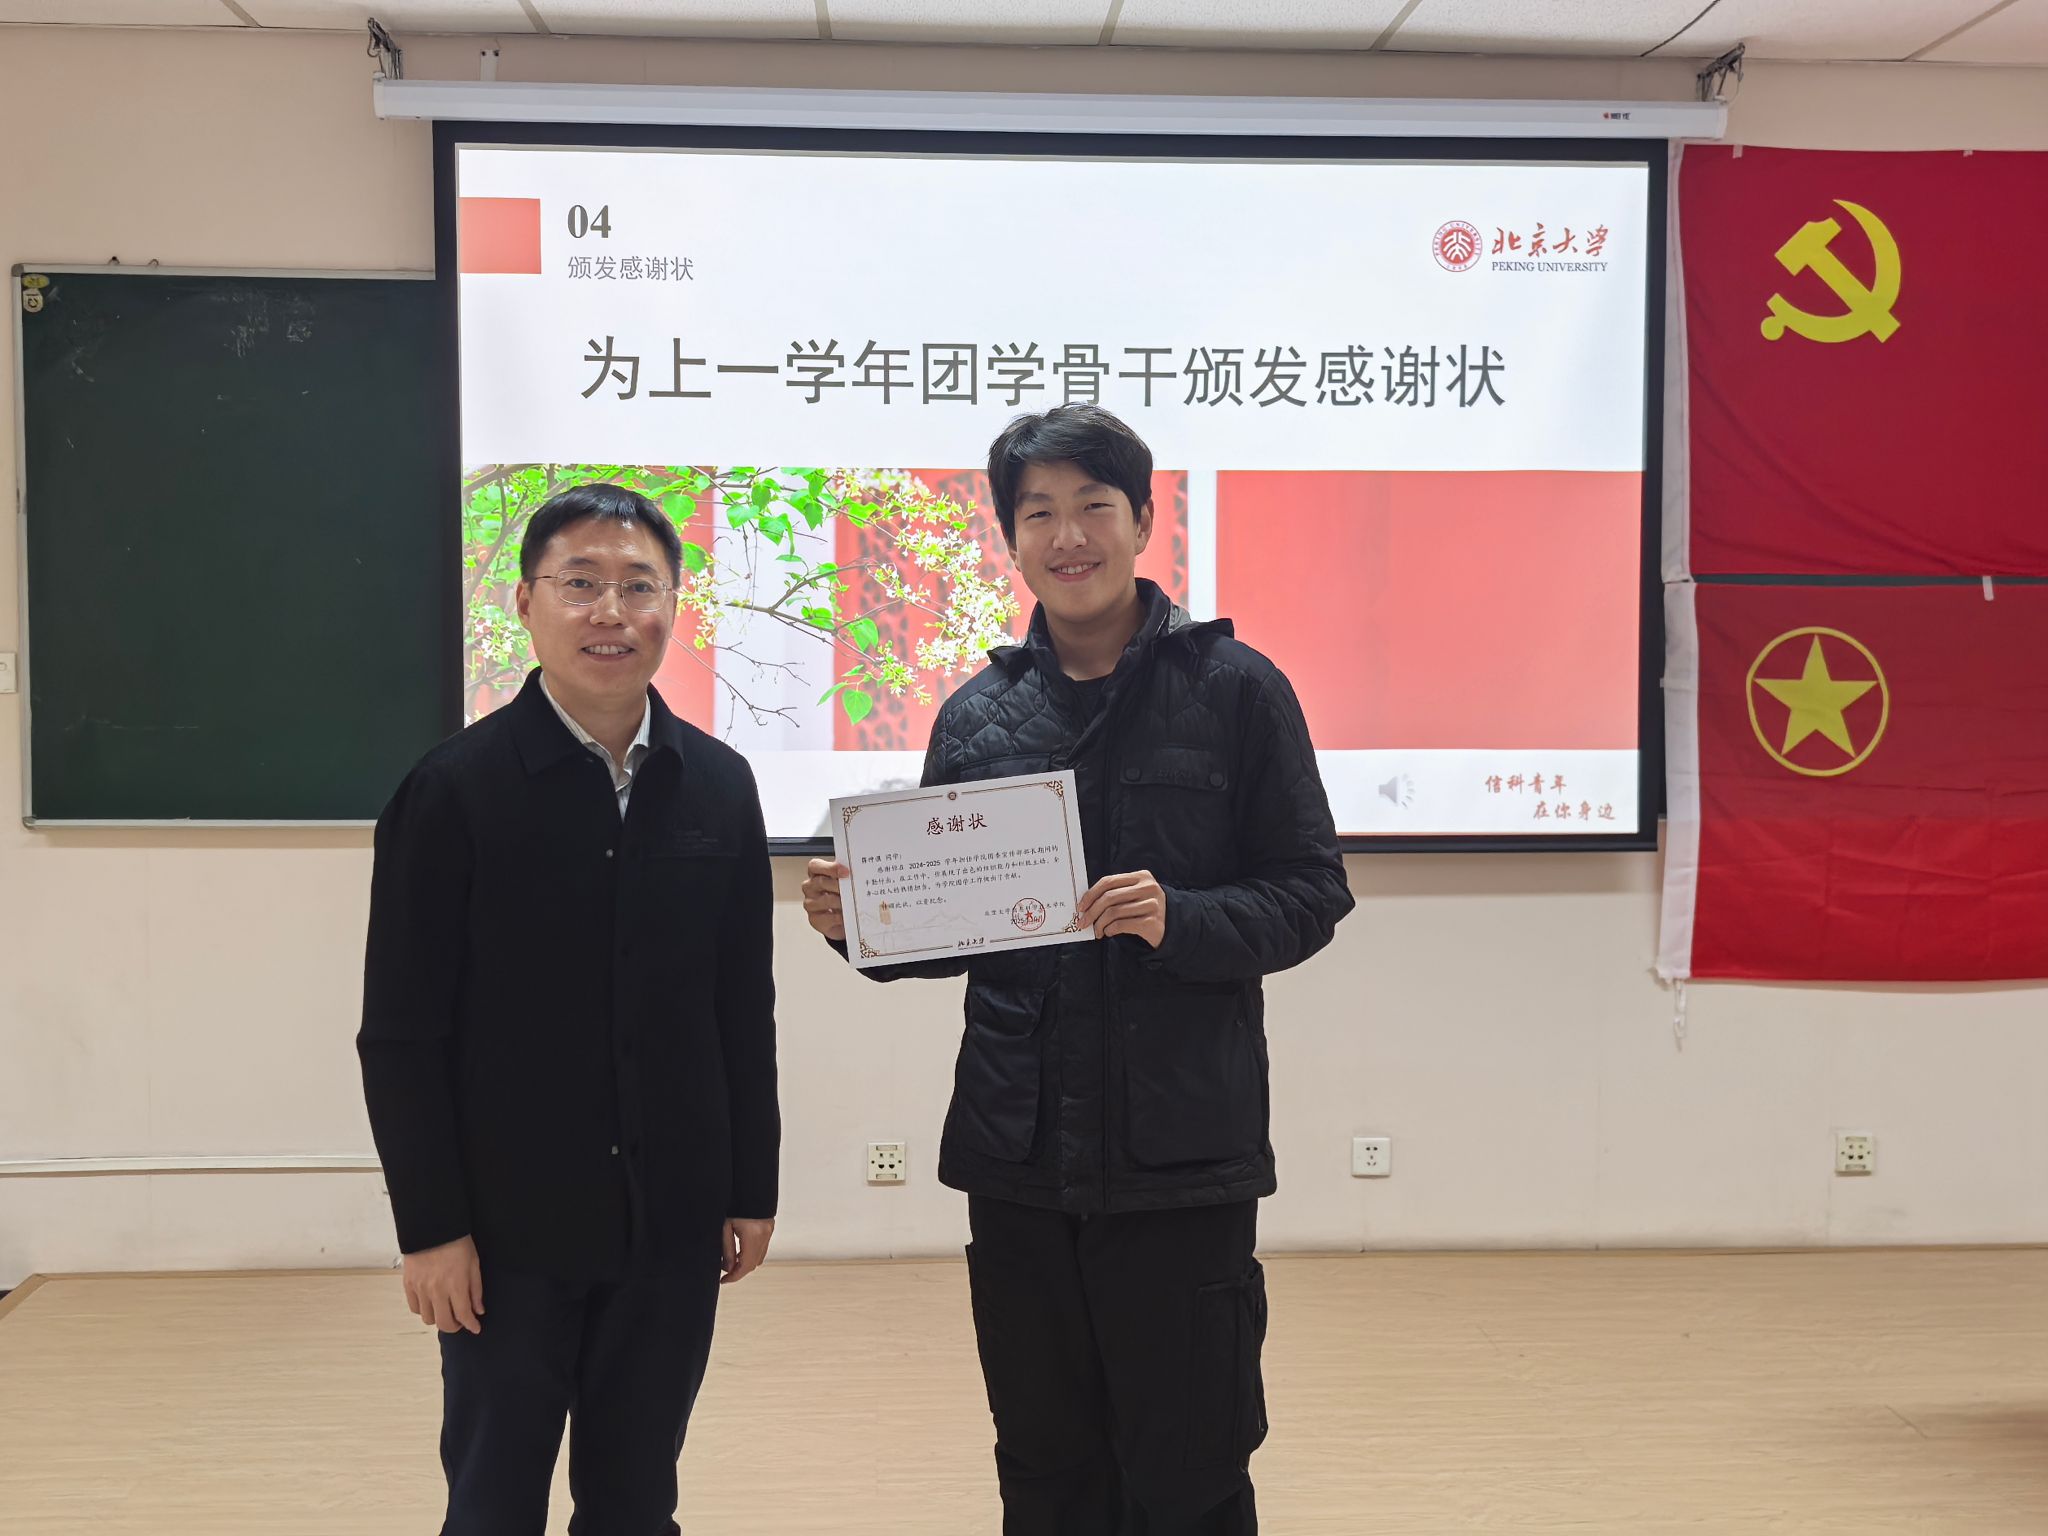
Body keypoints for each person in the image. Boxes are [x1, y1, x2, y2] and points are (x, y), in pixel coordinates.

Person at [802, 406, 1354, 1534]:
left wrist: (1180, 918)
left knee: (1190, 1472)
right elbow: (947, 933)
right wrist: (859, 923)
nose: (1068, 535)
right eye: (1039, 512)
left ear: (1143, 521)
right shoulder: (978, 714)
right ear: (1010, 538)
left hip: (1181, 1158)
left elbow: (1310, 892)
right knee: (1045, 1469)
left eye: (1093, 506)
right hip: (1018, 1158)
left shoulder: (1237, 690)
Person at [359, 482, 779, 1536]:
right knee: (494, 1501)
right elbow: (401, 1033)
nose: (611, 612)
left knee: (637, 1500)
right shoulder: (451, 791)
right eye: (580, 583)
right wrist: (432, 1228)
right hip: (508, 1231)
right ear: (525, 602)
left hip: (670, 1219)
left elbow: (741, 1008)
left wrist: (749, 1186)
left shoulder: (719, 785)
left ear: (673, 606)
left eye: (639, 586)